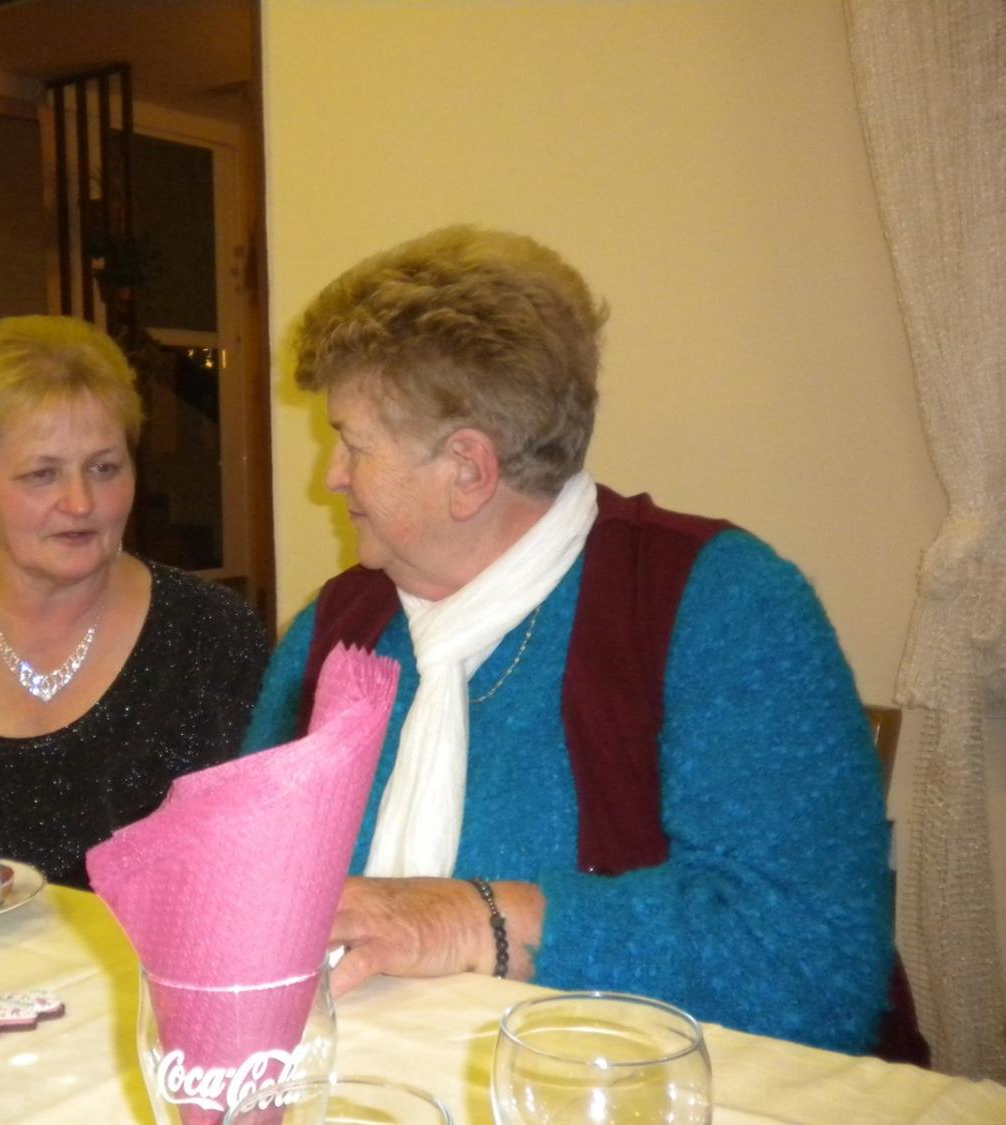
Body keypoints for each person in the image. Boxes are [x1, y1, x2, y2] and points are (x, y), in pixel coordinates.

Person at [243, 226, 899, 1055]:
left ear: (468, 470)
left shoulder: (718, 605)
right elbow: (244, 873)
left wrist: (482, 919)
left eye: (353, 444)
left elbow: (814, 968)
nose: (332, 476)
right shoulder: (339, 625)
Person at [0, 315, 269, 889]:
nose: (81, 502)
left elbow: (262, 863)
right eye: (42, 474)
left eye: (104, 468)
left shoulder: (214, 636)